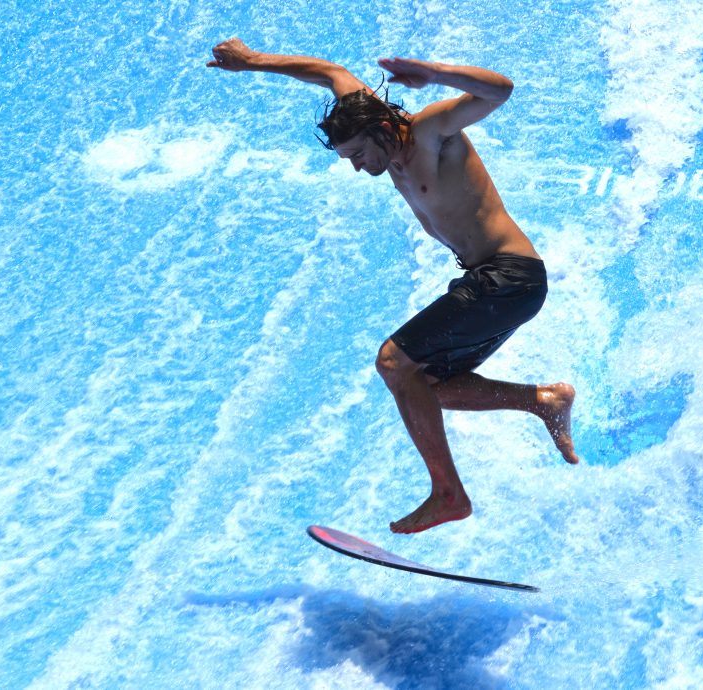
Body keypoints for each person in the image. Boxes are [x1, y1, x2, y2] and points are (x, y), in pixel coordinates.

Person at [208, 38, 580, 534]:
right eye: (349, 160)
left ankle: (448, 495)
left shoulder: (429, 132)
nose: (359, 167)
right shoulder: (368, 118)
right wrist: (253, 62)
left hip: (508, 275)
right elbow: (327, 69)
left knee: (393, 361)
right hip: (493, 280)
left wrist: (434, 72)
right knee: (428, 385)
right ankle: (542, 400)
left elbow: (500, 91)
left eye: (360, 155)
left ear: (385, 130)